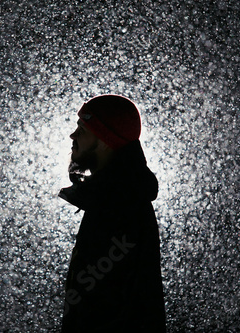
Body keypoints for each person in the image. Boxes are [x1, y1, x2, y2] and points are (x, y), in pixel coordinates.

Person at [59, 95, 166, 332]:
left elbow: (104, 308)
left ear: (105, 140)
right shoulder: (117, 197)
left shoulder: (118, 206)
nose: (72, 136)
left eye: (82, 129)